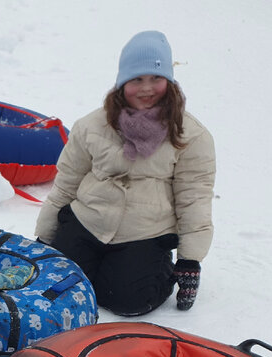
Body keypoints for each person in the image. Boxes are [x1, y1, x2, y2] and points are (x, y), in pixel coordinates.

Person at [35, 30, 216, 316]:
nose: (146, 88)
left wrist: (189, 260)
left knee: (127, 302)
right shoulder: (92, 126)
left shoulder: (191, 136)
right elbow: (66, 184)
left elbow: (194, 198)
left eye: (156, 78)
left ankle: (155, 267)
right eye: (137, 79)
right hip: (88, 222)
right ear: (122, 83)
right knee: (56, 287)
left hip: (144, 232)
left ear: (169, 81)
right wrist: (44, 238)